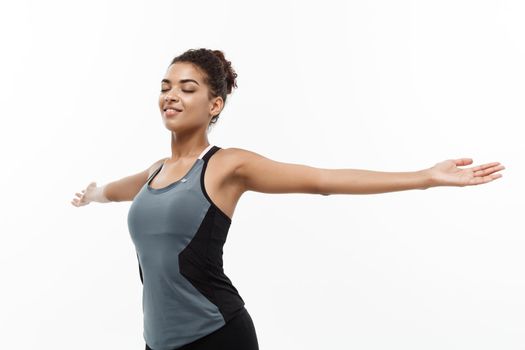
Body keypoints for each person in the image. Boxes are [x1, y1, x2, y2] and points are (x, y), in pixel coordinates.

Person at [70, 48, 505, 350]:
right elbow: (115, 191)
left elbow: (322, 179)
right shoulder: (153, 173)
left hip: (217, 338)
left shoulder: (226, 166)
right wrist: (92, 195)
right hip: (157, 342)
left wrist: (425, 177)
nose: (171, 95)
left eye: (187, 88)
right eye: (166, 86)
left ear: (215, 104)